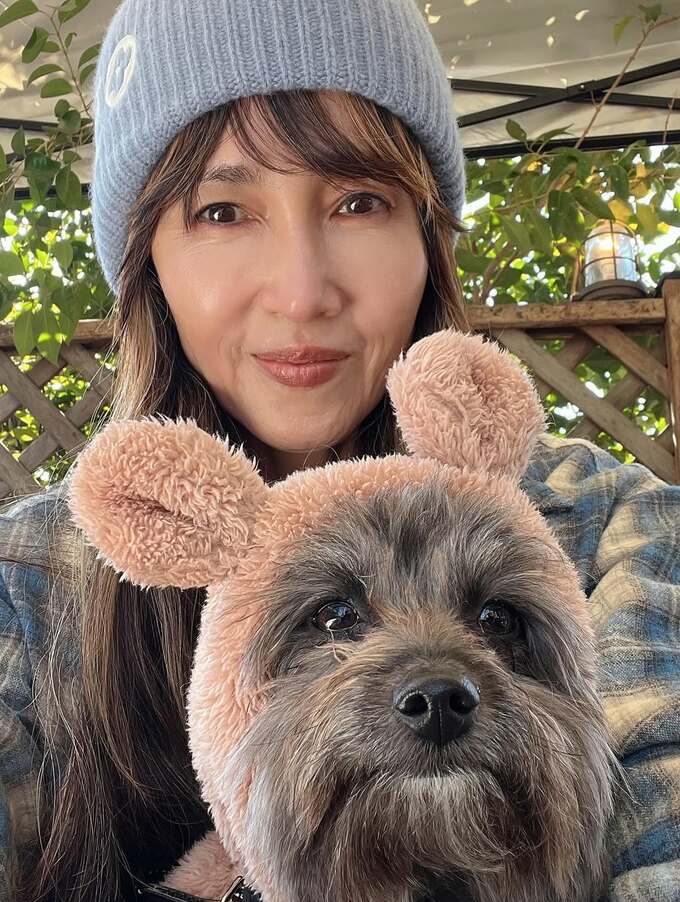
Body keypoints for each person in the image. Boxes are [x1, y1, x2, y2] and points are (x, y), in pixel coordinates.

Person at [0, 0, 678, 900]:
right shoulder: (30, 583)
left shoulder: (608, 529)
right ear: (146, 262)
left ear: (428, 239)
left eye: (360, 201)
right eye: (223, 211)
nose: (302, 292)